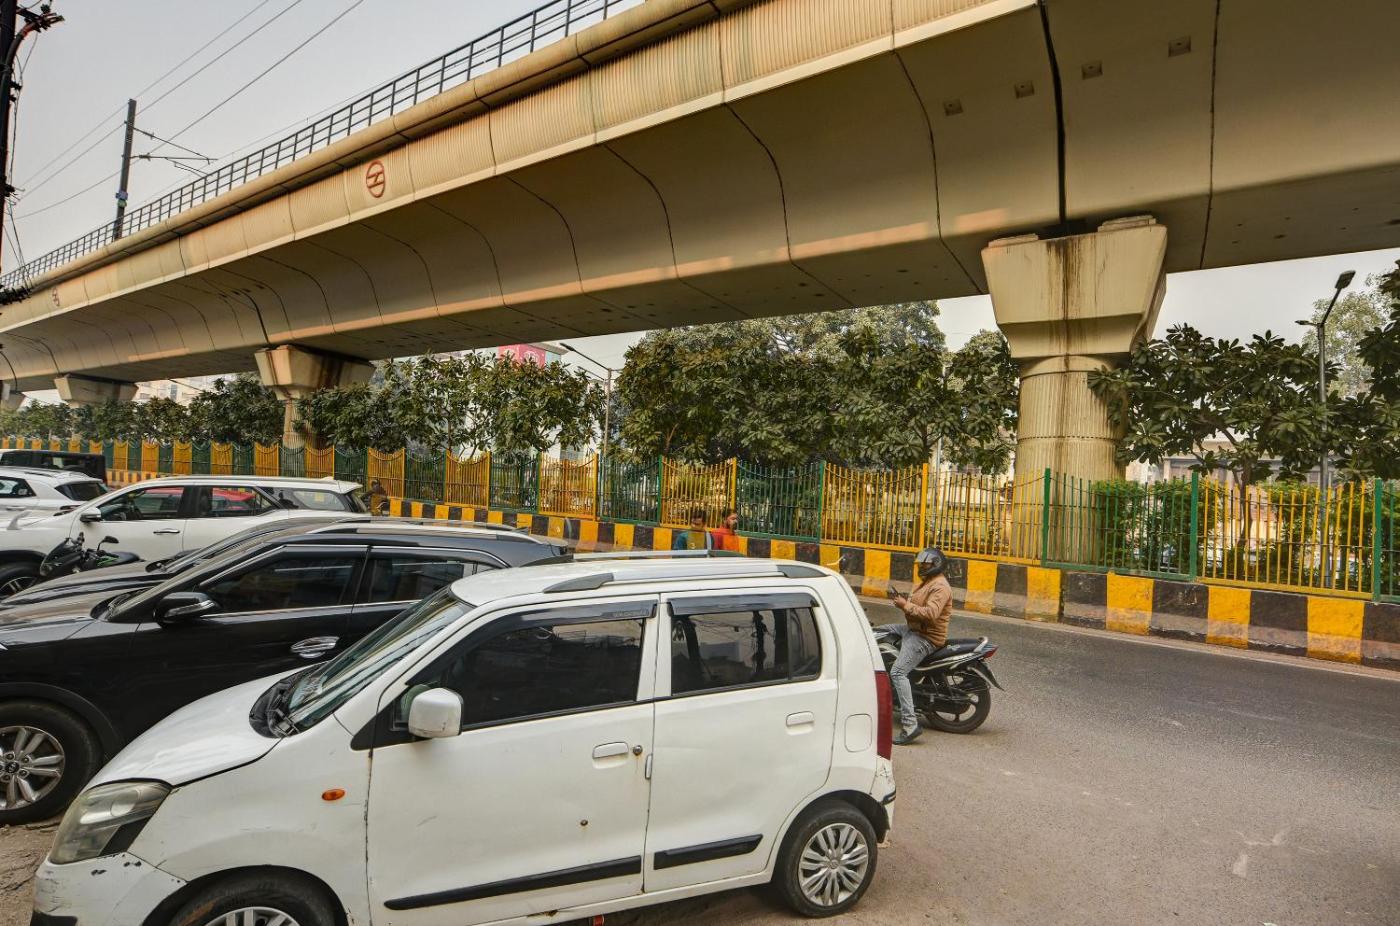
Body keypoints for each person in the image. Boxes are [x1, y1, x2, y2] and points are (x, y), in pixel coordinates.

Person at [881, 547, 952, 745]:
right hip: (913, 629)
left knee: (898, 672)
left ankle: (910, 725)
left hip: (925, 637)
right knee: (878, 633)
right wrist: (904, 603)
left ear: (936, 564)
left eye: (925, 564)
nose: (922, 567)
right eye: (921, 564)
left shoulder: (940, 586)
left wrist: (905, 605)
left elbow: (931, 614)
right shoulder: (928, 582)